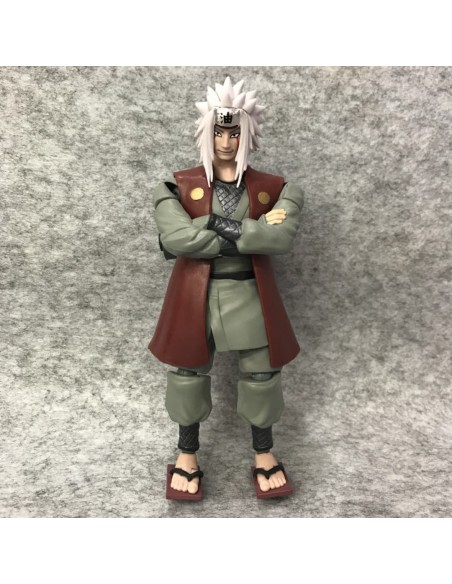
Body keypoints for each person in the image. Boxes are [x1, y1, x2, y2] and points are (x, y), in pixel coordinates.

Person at [149, 76, 304, 498]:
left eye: (234, 133)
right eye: (219, 132)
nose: (225, 141)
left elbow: (281, 238)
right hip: (195, 296)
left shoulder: (277, 189)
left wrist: (207, 225)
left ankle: (264, 453)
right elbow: (176, 239)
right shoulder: (176, 187)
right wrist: (248, 231)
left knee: (262, 375)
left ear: (247, 134)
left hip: (250, 294)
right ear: (207, 132)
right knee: (187, 374)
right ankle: (186, 455)